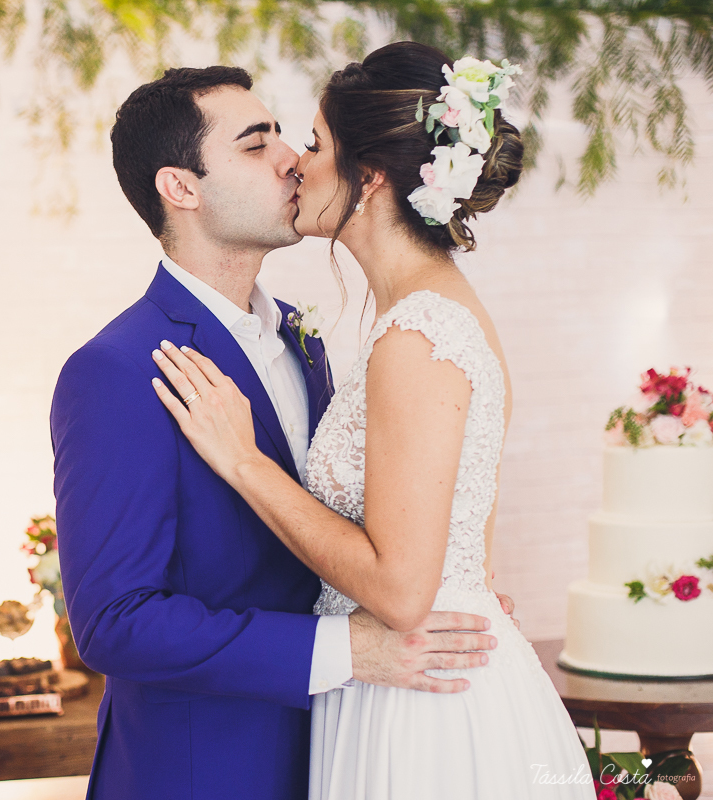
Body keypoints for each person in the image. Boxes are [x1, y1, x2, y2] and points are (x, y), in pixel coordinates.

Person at [50, 63, 515, 800]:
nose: (291, 159)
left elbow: (356, 532)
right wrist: (346, 648)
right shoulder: (117, 369)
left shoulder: (306, 340)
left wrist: (454, 588)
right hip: (204, 774)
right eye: (255, 142)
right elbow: (114, 622)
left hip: (348, 749)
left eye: (291, 137)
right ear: (182, 188)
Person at [150, 43, 594, 798]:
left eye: (315, 143)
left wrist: (247, 463)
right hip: (410, 671)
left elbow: (401, 593)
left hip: (422, 705)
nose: (297, 164)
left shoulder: (419, 333)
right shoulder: (420, 316)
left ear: (373, 176)